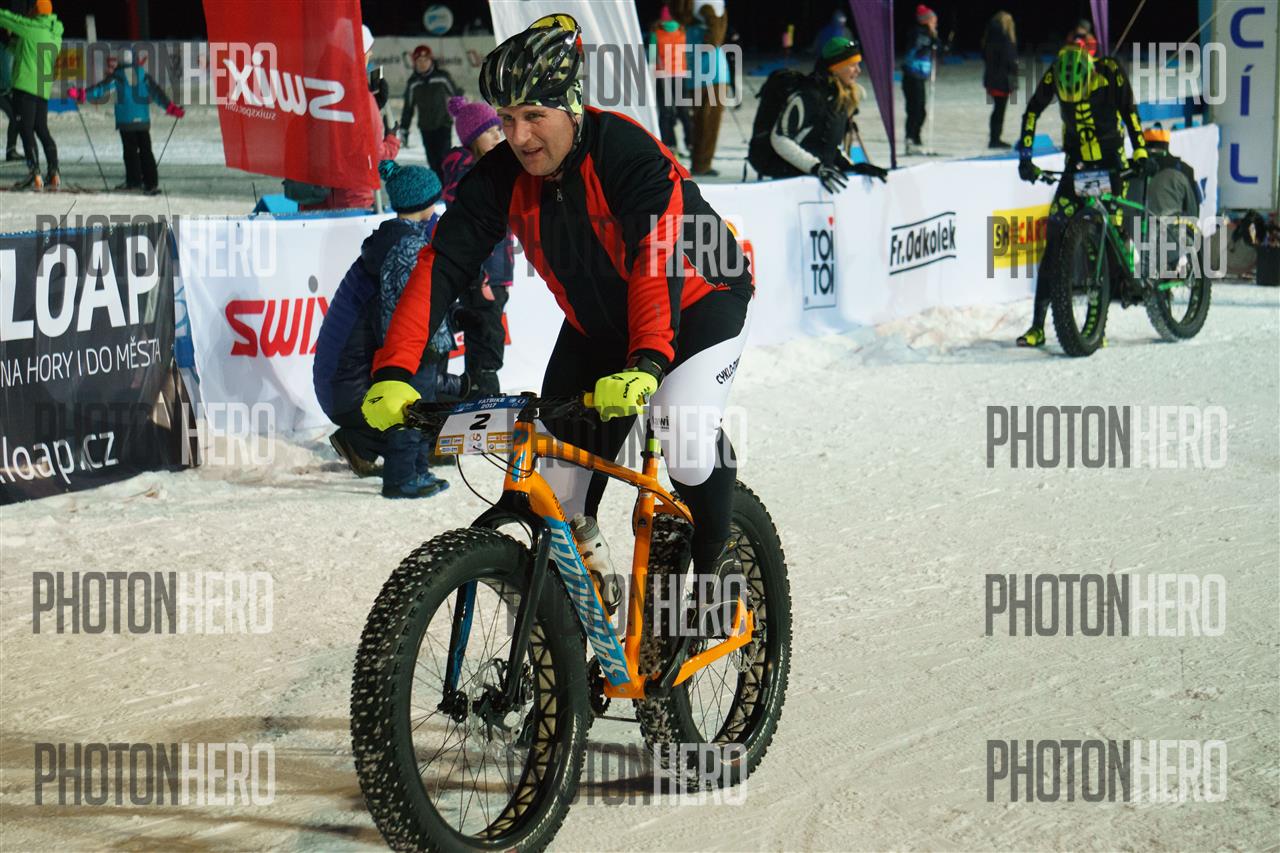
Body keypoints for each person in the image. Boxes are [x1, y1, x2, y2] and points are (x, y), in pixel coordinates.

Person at [363, 14, 755, 581]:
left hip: (700, 300)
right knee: (559, 496)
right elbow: (442, 263)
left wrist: (648, 361)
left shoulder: (627, 154)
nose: (518, 136)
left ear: (571, 106)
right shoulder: (501, 175)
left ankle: (720, 570)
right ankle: (583, 604)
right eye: (506, 119)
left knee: (684, 437)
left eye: (533, 116)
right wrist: (395, 368)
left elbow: (658, 256)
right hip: (601, 326)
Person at [314, 160, 453, 498]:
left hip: (347, 378)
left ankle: (416, 467)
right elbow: (408, 311)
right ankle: (402, 476)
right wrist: (421, 351)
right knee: (409, 404)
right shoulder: (407, 248)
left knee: (422, 399)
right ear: (427, 203)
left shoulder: (395, 240)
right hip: (353, 385)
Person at [1014, 45, 1154, 347]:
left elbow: (1129, 112)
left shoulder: (1111, 71)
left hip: (1111, 164)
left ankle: (1103, 319)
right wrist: (1025, 157)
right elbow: (1032, 111)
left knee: (1110, 236)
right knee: (1054, 242)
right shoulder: (1055, 73)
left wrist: (1141, 151)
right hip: (1076, 166)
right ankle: (1037, 326)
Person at [440, 95, 514, 396]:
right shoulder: (470, 177)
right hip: (483, 275)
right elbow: (469, 234)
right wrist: (481, 277)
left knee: (486, 342)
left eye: (499, 130)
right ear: (472, 138)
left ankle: (479, 396)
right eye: (490, 131)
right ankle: (484, 401)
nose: (498, 137)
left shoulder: (488, 169)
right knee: (486, 346)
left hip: (493, 274)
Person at [749, 36, 888, 190]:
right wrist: (815, 167)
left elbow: (828, 144)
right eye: (852, 65)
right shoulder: (810, 96)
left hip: (813, 178)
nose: (858, 70)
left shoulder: (839, 97)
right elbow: (780, 138)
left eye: (858, 64)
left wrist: (851, 166)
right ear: (836, 67)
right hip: (791, 180)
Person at [301, 25, 400, 211]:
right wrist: (392, 140)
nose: (370, 55)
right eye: (368, 51)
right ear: (358, 55)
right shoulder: (361, 97)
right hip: (351, 196)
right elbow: (373, 152)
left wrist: (373, 105)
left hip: (312, 194)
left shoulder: (311, 86)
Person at [66, 49, 184, 194]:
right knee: (146, 151)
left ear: (120, 62)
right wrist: (172, 109)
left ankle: (134, 181)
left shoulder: (117, 77)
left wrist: (80, 94)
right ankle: (151, 183)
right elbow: (157, 94)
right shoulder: (143, 76)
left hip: (126, 121)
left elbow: (100, 89)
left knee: (130, 152)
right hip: (142, 120)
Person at [0, 0, 62, 189]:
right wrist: (12, 43)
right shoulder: (55, 33)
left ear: (36, 11)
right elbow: (23, 47)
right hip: (42, 89)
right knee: (42, 129)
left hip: (25, 86)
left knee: (25, 129)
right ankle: (54, 171)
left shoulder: (30, 28)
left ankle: (34, 172)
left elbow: (7, 18)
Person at [400, 44, 460, 175]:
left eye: (426, 60)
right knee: (433, 162)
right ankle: (437, 186)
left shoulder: (442, 77)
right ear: (415, 63)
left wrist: (463, 113)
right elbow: (408, 108)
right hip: (426, 128)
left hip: (443, 124)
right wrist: (404, 128)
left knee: (445, 160)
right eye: (419, 61)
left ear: (431, 60)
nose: (423, 64)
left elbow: (456, 95)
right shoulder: (413, 83)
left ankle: (448, 186)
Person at [685, 1, 729, 176]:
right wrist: (718, 17)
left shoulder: (688, 16)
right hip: (712, 73)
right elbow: (715, 39)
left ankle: (699, 162)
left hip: (696, 73)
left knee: (700, 121)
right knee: (709, 122)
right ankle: (702, 164)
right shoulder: (708, 9)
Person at [648, 5, 693, 156]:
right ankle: (691, 142)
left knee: (666, 112)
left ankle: (669, 144)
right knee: (683, 110)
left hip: (663, 75)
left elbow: (652, 56)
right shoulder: (682, 31)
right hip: (680, 73)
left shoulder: (656, 32)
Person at [901, 4, 939, 155]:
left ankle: (915, 137)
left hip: (920, 76)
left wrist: (934, 38)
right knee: (915, 110)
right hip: (912, 75)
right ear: (926, 20)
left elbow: (938, 47)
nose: (935, 22)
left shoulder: (928, 33)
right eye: (933, 19)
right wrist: (931, 39)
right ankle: (911, 138)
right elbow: (918, 46)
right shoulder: (918, 32)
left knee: (920, 110)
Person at [982, 11, 1018, 149]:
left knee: (997, 109)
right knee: (999, 110)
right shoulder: (1005, 39)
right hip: (1002, 80)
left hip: (992, 79)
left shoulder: (989, 37)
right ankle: (995, 139)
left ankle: (995, 137)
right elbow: (1010, 60)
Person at [0, 34, 20, 161]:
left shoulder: (9, 48)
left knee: (16, 117)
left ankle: (11, 151)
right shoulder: (6, 48)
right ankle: (10, 151)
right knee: (15, 117)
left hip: (4, 90)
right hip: (3, 90)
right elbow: (6, 72)